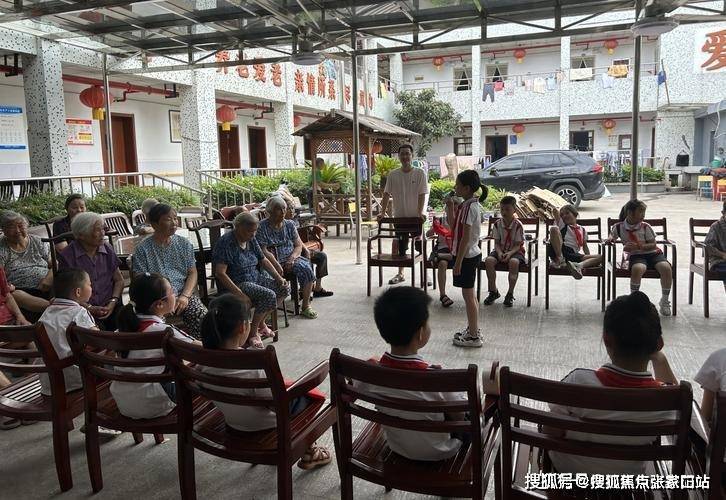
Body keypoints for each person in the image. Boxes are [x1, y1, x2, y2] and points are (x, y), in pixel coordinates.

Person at [547, 291, 678, 475]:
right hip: (627, 479)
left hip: (568, 473)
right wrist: (660, 359)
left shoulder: (578, 382)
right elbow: (681, 404)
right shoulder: (665, 399)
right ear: (659, 344)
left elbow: (551, 429)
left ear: (607, 339)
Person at [356, 287, 492, 461]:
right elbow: (460, 417)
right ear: (421, 333)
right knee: (478, 413)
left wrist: (373, 363)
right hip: (442, 451)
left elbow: (357, 384)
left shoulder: (371, 374)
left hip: (397, 445)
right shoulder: (439, 380)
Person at [198, 294, 332, 470]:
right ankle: (310, 450)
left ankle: (310, 447)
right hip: (264, 426)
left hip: (233, 422)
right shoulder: (253, 364)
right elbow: (277, 404)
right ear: (243, 327)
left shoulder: (201, 363)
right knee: (306, 398)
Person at [111, 273, 193, 420]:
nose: (175, 294)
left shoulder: (121, 329)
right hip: (155, 404)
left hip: (124, 403)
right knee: (200, 370)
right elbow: (200, 349)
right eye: (172, 291)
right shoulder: (163, 331)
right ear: (160, 304)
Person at [213, 212, 289, 349]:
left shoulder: (251, 239)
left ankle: (260, 323)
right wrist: (239, 294)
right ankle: (253, 334)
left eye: (255, 231)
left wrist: (278, 277)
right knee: (269, 295)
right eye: (249, 231)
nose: (253, 234)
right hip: (238, 282)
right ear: (238, 227)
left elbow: (263, 260)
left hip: (255, 278)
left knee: (284, 288)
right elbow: (220, 273)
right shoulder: (226, 242)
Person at [132, 203, 207, 338]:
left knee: (202, 317)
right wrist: (164, 301)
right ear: (154, 224)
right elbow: (141, 280)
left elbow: (192, 272)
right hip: (157, 301)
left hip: (182, 295)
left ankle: (198, 348)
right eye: (168, 219)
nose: (174, 222)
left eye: (175, 218)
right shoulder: (143, 249)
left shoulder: (184, 244)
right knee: (156, 329)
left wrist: (185, 296)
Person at [58, 212, 124, 330]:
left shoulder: (107, 248)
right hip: (82, 311)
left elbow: (119, 280)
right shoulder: (68, 256)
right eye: (97, 230)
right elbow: (67, 294)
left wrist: (113, 302)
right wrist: (89, 308)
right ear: (81, 235)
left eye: (103, 229)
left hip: (111, 305)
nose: (103, 233)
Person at [36, 268, 97, 396]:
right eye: (90, 284)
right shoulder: (79, 312)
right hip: (75, 380)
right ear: (78, 292)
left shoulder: (46, 312)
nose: (92, 288)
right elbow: (97, 340)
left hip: (48, 383)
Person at [608, 199, 673, 316]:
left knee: (666, 268)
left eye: (644, 212)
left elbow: (653, 244)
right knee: (638, 268)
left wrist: (639, 246)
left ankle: (665, 301)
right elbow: (612, 236)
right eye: (640, 212)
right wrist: (610, 239)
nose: (643, 215)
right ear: (630, 213)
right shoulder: (619, 227)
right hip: (636, 255)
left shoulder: (645, 226)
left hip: (653, 254)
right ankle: (633, 301)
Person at [256, 196, 317, 319]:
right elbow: (263, 250)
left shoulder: (289, 224)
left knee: (306, 269)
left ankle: (305, 306)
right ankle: (268, 311)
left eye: (284, 208)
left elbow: (298, 245)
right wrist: (276, 264)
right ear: (270, 212)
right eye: (279, 209)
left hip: (290, 258)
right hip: (271, 261)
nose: (283, 212)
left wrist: (291, 259)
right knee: (268, 279)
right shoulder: (262, 227)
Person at [377, 144, 430, 285]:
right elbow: (386, 194)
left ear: (412, 155)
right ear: (399, 156)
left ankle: (425, 274)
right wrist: (382, 213)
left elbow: (422, 194)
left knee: (420, 246)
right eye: (402, 154)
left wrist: (420, 213)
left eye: (408, 153)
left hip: (416, 219)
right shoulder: (393, 174)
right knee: (401, 248)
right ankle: (400, 274)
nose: (405, 156)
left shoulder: (419, 173)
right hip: (400, 219)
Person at [451, 171, 487, 348]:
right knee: (471, 295)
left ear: (466, 188)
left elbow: (465, 237)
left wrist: (458, 262)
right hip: (472, 253)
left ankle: (473, 337)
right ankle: (473, 329)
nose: (455, 187)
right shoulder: (471, 204)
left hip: (467, 256)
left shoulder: (468, 207)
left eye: (457, 185)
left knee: (468, 296)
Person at [0, 210, 51, 313]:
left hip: (46, 285)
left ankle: (61, 308)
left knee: (64, 279)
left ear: (27, 226)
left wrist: (48, 279)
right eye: (11, 227)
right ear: (4, 230)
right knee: (15, 295)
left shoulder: (38, 241)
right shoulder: (1, 248)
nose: (17, 230)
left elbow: (54, 263)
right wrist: (7, 286)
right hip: (21, 290)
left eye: (21, 226)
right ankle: (60, 308)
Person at [284, 201, 333, 298]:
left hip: (300, 248)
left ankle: (317, 288)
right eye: (289, 209)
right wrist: (305, 250)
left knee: (322, 256)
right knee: (307, 259)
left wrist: (305, 249)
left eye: (293, 208)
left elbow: (298, 240)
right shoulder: (282, 225)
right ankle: (303, 290)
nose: (292, 211)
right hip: (291, 253)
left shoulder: (293, 222)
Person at [483, 196, 525, 308]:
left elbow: (518, 245)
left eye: (507, 209)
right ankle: (493, 291)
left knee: (514, 263)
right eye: (502, 209)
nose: (504, 212)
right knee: (489, 261)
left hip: (516, 251)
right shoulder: (497, 224)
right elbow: (496, 243)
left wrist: (510, 253)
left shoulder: (518, 225)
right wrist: (500, 253)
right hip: (500, 250)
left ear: (514, 210)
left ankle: (510, 293)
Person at [547, 204, 604, 279]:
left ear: (575, 214)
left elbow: (585, 246)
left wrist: (589, 261)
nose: (564, 216)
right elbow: (554, 210)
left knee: (601, 257)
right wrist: (558, 209)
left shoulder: (582, 230)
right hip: (562, 251)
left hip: (574, 255)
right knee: (554, 228)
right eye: (562, 215)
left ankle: (578, 266)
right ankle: (560, 259)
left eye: (567, 213)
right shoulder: (562, 225)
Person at [427, 192, 461, 308]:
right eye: (451, 204)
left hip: (457, 249)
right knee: (442, 264)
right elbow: (428, 234)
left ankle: (437, 256)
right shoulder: (441, 220)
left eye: (456, 204)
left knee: (458, 255)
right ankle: (443, 295)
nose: (453, 207)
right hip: (443, 248)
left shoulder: (462, 221)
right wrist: (434, 229)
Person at [703, 200, 726, 293]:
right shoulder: (716, 227)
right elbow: (707, 246)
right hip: (719, 261)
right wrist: (722, 254)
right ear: (723, 213)